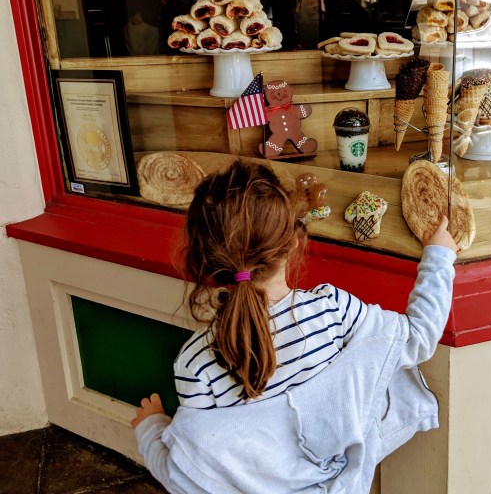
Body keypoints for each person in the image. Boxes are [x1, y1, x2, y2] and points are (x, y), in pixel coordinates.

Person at [131, 160, 458, 493]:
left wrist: (151, 429)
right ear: (293, 243)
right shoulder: (332, 311)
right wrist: (439, 256)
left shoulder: (195, 363)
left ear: (203, 260)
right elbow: (418, 338)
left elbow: (190, 476)